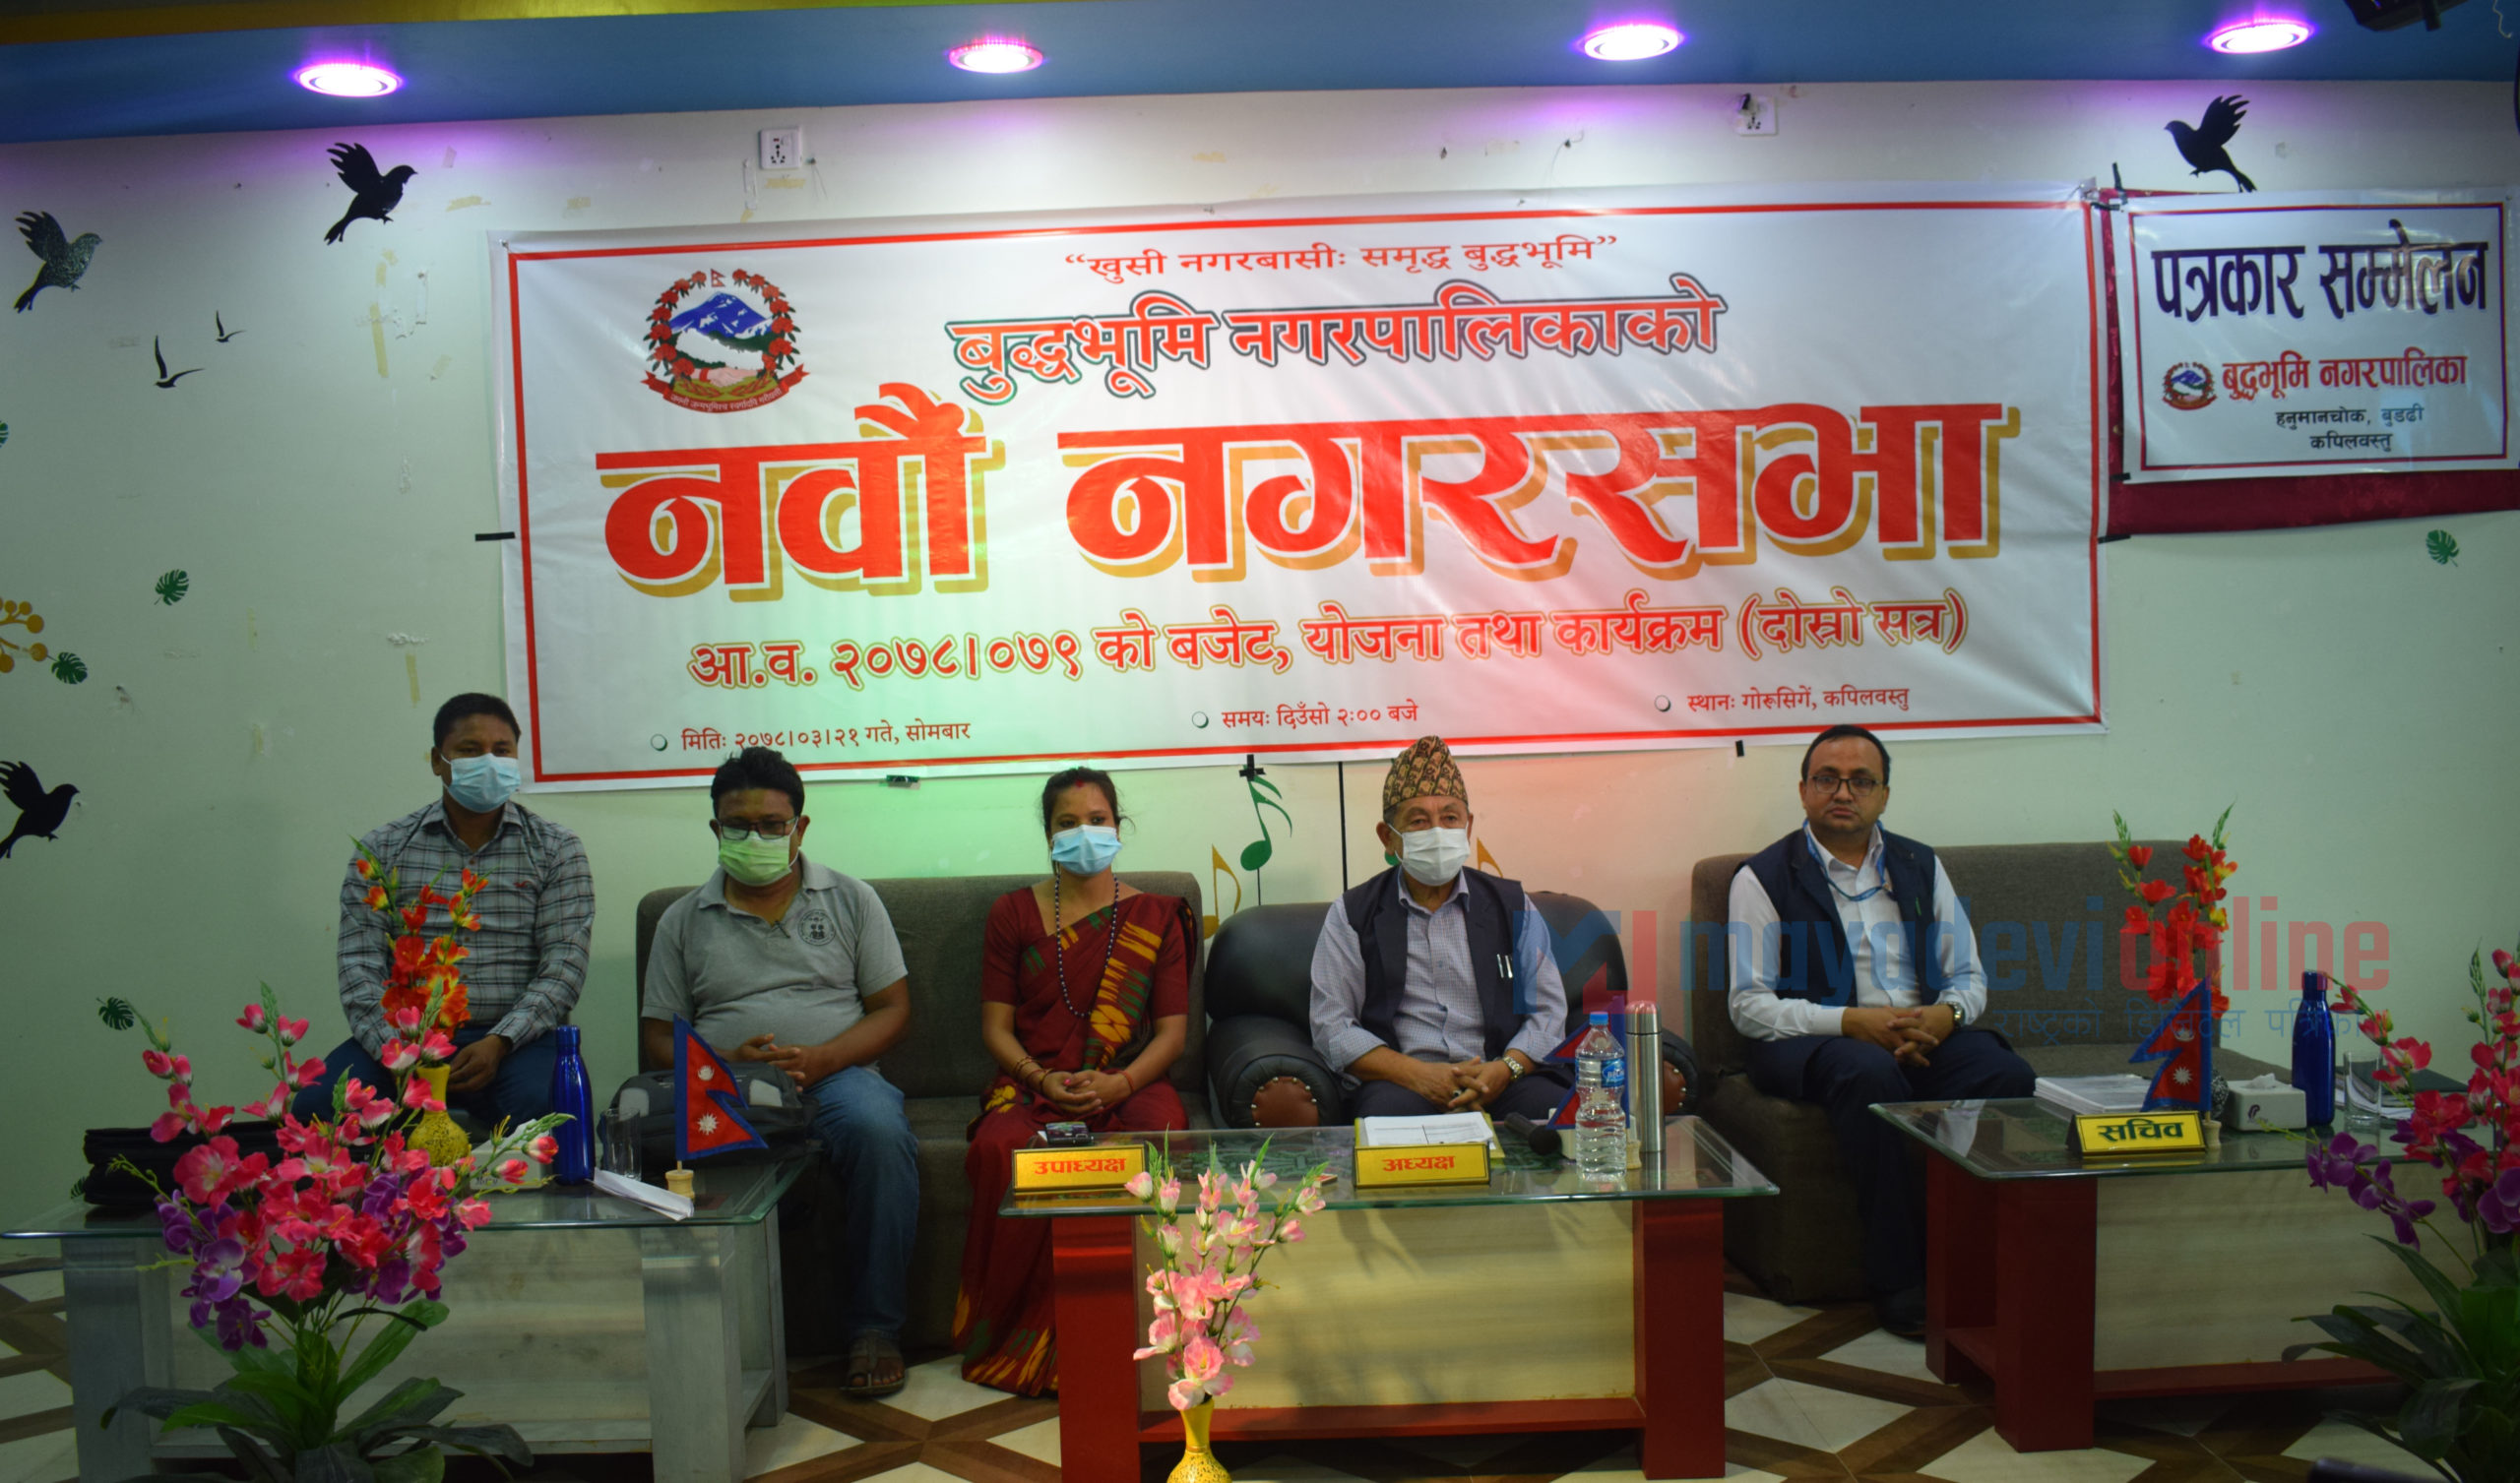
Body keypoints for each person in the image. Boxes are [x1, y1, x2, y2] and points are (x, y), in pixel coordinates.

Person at [1727, 723, 2033, 1338]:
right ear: (1804, 790)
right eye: (1827, 779)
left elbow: (1969, 976)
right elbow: (1748, 1006)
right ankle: (1899, 1279)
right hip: (1817, 1043)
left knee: (2005, 1072)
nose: (1844, 792)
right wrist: (1849, 1022)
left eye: (1861, 781)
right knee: (1870, 1074)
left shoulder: (1921, 864)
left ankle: (1978, 1261)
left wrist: (1946, 1016)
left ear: (1884, 795)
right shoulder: (1761, 877)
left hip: (1922, 1035)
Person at [640, 746, 918, 1398]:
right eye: (739, 826)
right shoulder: (682, 920)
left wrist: (823, 1058)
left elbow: (893, 1008)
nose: (756, 838)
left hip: (836, 1078)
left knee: (881, 1132)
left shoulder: (851, 899)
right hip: (726, 1087)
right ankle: (706, 1341)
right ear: (715, 829)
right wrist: (725, 1065)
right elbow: (656, 1036)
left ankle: (875, 1328)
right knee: (672, 1146)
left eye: (772, 824)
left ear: (800, 827)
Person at [955, 766, 1192, 1395]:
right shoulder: (1011, 913)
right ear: (1048, 834)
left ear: (1118, 825)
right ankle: (1012, 1340)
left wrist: (1121, 1085)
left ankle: (1149, 1330)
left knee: (1162, 1135)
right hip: (1034, 1084)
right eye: (1068, 823)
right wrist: (1042, 1078)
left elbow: (1172, 1034)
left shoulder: (1156, 916)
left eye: (1097, 820)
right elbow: (996, 1029)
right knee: (999, 1148)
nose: (1085, 832)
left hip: (1129, 1080)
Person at [298, 693, 593, 1128]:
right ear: (438, 761)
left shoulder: (556, 848)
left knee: (552, 1104)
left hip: (516, 1041)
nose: (489, 761)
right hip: (404, 1038)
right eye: (470, 750)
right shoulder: (384, 848)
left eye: (502, 750)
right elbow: (358, 965)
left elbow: (564, 966)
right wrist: (397, 1050)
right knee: (320, 1106)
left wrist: (500, 1040)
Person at [1309, 735, 1572, 1120]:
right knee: (1386, 1118)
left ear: (1468, 827)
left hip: (1501, 1075)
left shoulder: (1512, 905)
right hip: (1401, 1082)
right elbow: (1331, 1027)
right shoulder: (1352, 914)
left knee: (1554, 1116)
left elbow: (1547, 1012)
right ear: (1388, 837)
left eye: (1450, 818)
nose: (1437, 831)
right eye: (1418, 821)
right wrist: (1418, 1075)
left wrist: (1505, 1069)